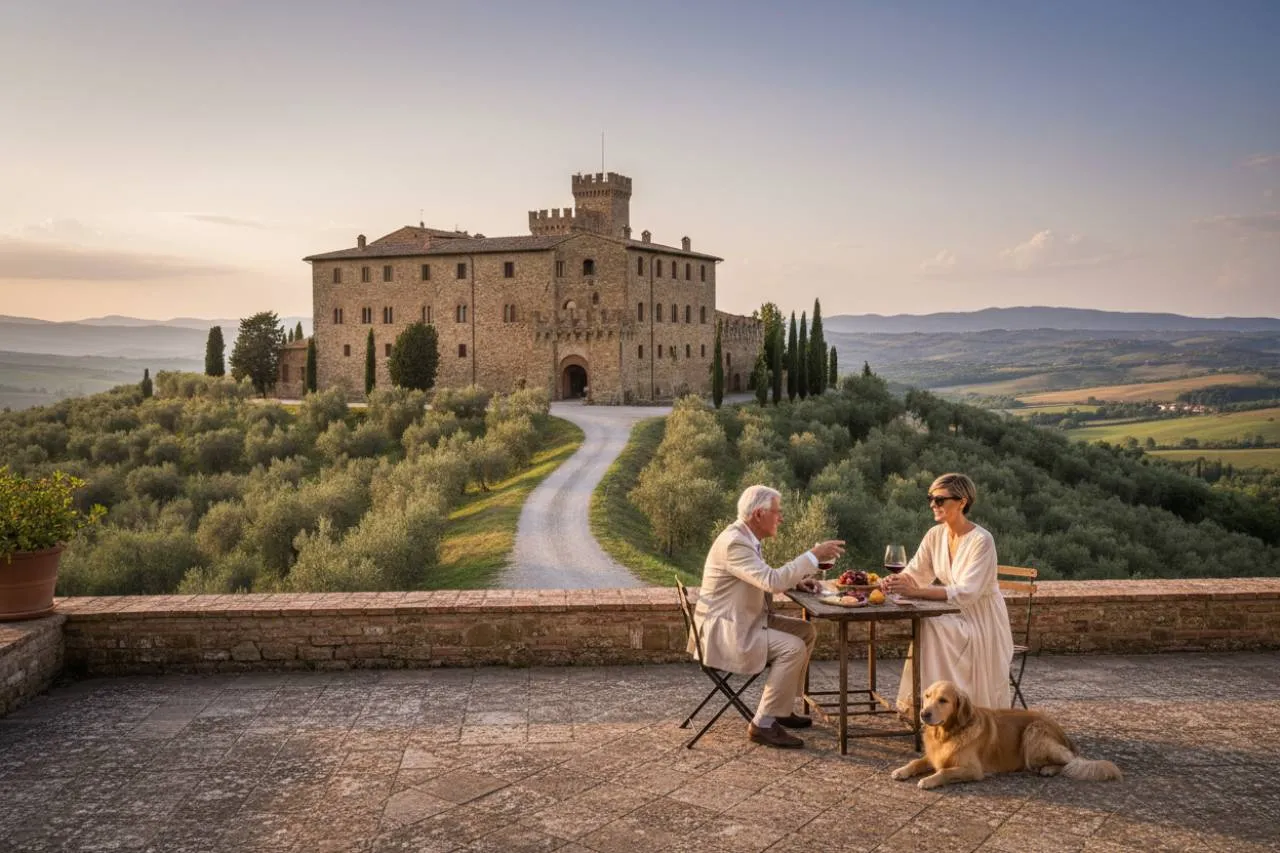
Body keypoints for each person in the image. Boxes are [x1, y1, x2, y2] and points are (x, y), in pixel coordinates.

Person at [691, 485, 845, 749]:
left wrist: (795, 583)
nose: (780, 518)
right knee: (792, 647)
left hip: (742, 621)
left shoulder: (745, 537)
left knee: (805, 632)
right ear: (760, 514)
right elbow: (771, 581)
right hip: (728, 633)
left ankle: (780, 709)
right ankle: (762, 724)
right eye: (777, 512)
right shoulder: (735, 543)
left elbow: (760, 577)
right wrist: (813, 556)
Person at [881, 473, 1014, 712]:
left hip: (981, 619)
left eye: (940, 499)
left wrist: (916, 592)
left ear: (962, 502)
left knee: (932, 626)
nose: (933, 504)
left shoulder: (982, 541)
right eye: (930, 498)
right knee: (928, 624)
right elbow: (915, 572)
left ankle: (949, 708)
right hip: (953, 612)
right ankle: (931, 704)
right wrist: (893, 580)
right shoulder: (935, 534)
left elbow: (967, 593)